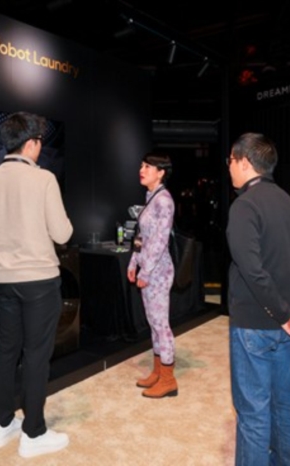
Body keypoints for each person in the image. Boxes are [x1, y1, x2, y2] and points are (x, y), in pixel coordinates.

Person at [0, 111, 73, 458]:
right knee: (36, 355)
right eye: (39, 142)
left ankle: (2, 425)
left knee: (5, 350)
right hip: (40, 281)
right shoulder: (44, 179)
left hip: (4, 281)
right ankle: (33, 433)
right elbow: (62, 233)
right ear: (31, 143)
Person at [225, 132, 290, 466]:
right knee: (283, 401)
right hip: (286, 323)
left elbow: (253, 271)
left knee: (253, 411)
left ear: (244, 162)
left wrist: (283, 313)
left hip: (255, 323)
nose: (228, 167)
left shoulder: (244, 206)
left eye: (230, 160)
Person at [127, 153, 178, 398]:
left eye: (148, 166)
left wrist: (145, 270)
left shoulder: (164, 201)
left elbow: (159, 241)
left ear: (161, 172)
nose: (142, 169)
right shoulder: (151, 198)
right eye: (141, 165)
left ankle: (168, 379)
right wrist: (133, 261)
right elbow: (142, 236)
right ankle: (158, 372)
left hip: (158, 272)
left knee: (161, 325)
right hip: (149, 269)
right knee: (154, 324)